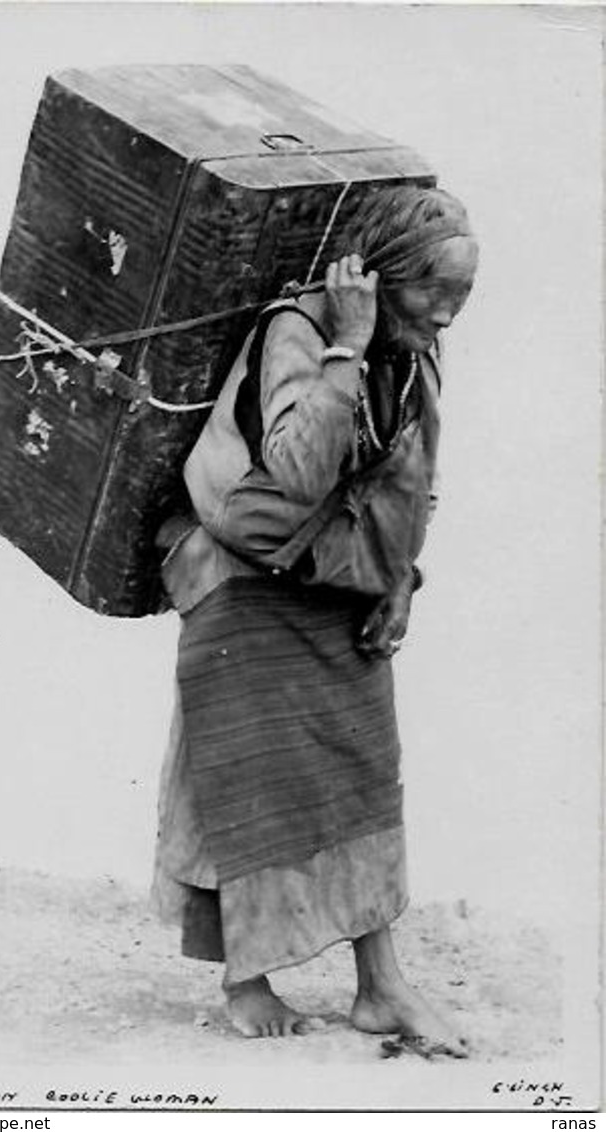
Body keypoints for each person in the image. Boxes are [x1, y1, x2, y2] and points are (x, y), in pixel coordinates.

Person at [152, 184, 479, 1056]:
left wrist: (400, 583)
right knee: (246, 772)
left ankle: (380, 985)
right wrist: (345, 343)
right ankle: (246, 975)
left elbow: (413, 479)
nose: (445, 316)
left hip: (331, 576)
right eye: (431, 293)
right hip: (239, 571)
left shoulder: (410, 355)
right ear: (375, 279)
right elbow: (295, 473)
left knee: (365, 770)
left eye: (461, 299)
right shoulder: (299, 332)